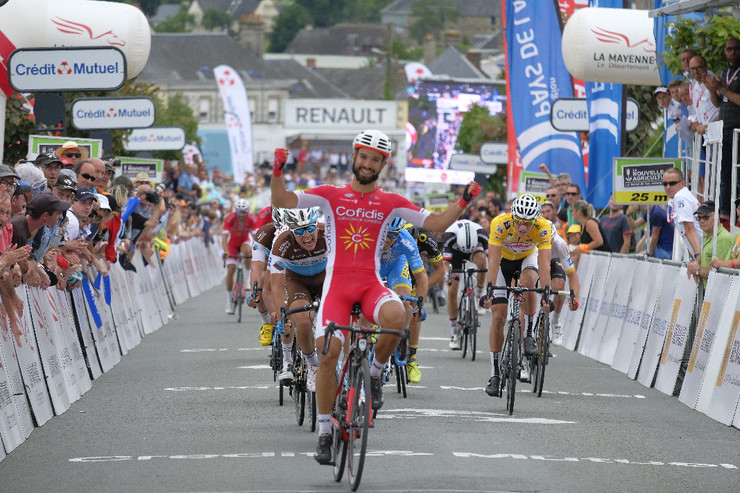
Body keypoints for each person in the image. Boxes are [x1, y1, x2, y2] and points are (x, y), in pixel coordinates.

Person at [270, 128, 481, 465]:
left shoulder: (390, 202)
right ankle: (325, 430)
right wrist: (278, 171)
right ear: (354, 157)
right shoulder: (329, 195)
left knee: (399, 314)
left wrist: (464, 201)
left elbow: (437, 222)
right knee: (328, 354)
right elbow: (282, 201)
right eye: (363, 157)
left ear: (384, 164)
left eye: (375, 160)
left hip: (370, 285)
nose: (367, 164)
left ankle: (374, 373)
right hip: (337, 288)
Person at [480, 194, 552, 393]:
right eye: (519, 222)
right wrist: (489, 290)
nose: (522, 227)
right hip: (503, 263)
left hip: (527, 259)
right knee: (498, 317)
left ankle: (528, 335)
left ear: (535, 220)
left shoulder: (543, 226)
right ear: (512, 217)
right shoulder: (500, 223)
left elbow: (545, 264)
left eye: (527, 223)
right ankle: (494, 374)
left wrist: (546, 293)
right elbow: (493, 262)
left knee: (529, 281)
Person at [269, 207, 327, 387]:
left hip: (325, 276)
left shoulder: (329, 233)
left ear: (317, 225)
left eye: (310, 228)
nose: (307, 235)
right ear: (292, 232)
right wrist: (282, 317)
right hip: (296, 280)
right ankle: (312, 365)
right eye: (300, 231)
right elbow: (276, 287)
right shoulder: (282, 243)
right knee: (302, 321)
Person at [378, 217, 429, 380]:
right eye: (384, 234)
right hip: (373, 265)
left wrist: (419, 306)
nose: (387, 239)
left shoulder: (406, 240)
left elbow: (421, 276)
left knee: (405, 302)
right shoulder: (370, 235)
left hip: (396, 265)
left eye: (392, 235)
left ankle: (402, 340)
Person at [404, 222, 445, 383]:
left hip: (416, 272)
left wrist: (422, 287)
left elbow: (440, 270)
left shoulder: (425, 237)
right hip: (392, 266)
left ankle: (412, 359)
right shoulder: (388, 236)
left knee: (416, 309)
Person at [707, 37, 740, 226]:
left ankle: (737, 213)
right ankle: (725, 214)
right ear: (725, 52)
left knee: (738, 175)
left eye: (736, 48)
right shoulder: (726, 70)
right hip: (725, 128)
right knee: (724, 175)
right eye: (729, 49)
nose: (732, 52)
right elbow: (718, 102)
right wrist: (712, 89)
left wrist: (722, 89)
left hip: (738, 130)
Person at [442, 219, 488, 350]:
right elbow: (445, 263)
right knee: (451, 290)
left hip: (474, 248)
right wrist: (447, 274)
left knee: (482, 263)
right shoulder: (449, 235)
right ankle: (454, 331)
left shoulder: (482, 233)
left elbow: (492, 257)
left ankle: (478, 295)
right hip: (455, 254)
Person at [221, 198, 257, 315]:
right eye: (239, 213)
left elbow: (256, 237)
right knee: (231, 269)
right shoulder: (230, 218)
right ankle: (229, 302)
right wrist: (226, 251)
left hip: (245, 241)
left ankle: (247, 280)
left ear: (248, 211)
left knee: (247, 251)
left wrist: (257, 251)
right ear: (235, 211)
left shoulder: (252, 219)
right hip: (232, 243)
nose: (241, 215)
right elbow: (225, 238)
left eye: (244, 212)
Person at [687, 201, 734, 286]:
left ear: (717, 217)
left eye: (706, 217)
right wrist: (696, 262)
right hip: (710, 292)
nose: (701, 221)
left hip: (717, 293)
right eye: (699, 218)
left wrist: (698, 270)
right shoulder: (707, 235)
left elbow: (721, 273)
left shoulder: (723, 239)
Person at [663, 167, 702, 261]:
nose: (668, 187)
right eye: (665, 184)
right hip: (699, 248)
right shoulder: (676, 198)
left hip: (702, 249)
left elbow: (690, 228)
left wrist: (697, 256)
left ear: (682, 183)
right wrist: (691, 257)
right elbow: (685, 233)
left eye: (672, 183)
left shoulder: (680, 197)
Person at [570, 200, 611, 264]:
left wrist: (583, 248)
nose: (572, 213)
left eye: (573, 211)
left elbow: (599, 241)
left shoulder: (590, 223)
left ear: (578, 212)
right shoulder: (582, 225)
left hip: (604, 260)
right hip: (595, 260)